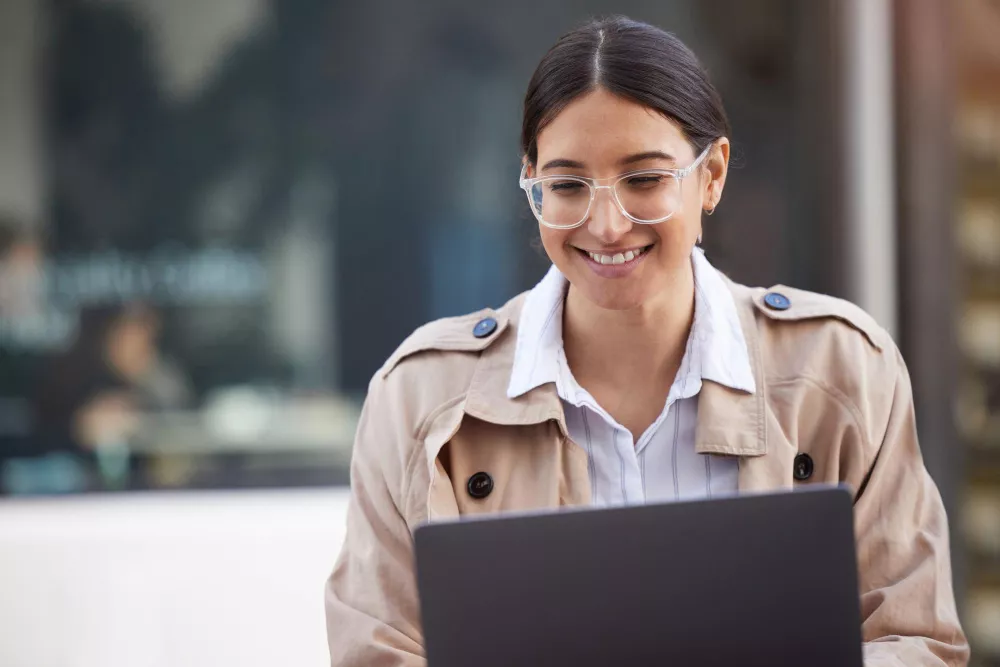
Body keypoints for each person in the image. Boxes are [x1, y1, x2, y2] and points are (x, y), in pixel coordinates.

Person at [326, 16, 968, 666]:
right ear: (533, 186)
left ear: (711, 175)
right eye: (569, 185)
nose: (606, 224)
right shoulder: (420, 402)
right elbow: (379, 650)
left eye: (645, 179)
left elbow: (914, 642)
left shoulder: (842, 372)